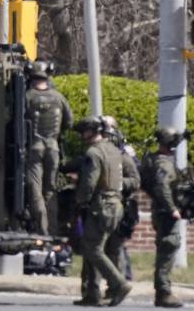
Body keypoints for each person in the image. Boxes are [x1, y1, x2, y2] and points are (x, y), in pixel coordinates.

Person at [73, 116, 132, 307]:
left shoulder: (93, 153)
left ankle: (119, 283)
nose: (82, 135)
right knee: (100, 248)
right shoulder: (115, 151)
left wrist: (79, 199)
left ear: (91, 132)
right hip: (115, 205)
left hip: (101, 206)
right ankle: (93, 294)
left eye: (83, 132)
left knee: (93, 249)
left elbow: (89, 183)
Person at [141, 127, 187, 308]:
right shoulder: (164, 163)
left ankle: (163, 290)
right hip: (166, 213)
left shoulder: (157, 159)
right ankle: (164, 292)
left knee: (167, 249)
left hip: (162, 211)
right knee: (168, 249)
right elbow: (161, 186)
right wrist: (172, 208)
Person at [25, 60, 73, 235]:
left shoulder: (27, 97)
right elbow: (69, 122)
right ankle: (52, 230)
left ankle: (41, 229)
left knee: (35, 188)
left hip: (34, 149)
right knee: (50, 189)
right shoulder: (59, 98)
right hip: (53, 148)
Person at [98, 116, 140, 298]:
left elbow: (135, 180)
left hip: (122, 204)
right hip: (102, 205)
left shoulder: (125, 154)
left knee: (116, 246)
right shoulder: (100, 152)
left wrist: (115, 182)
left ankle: (122, 279)